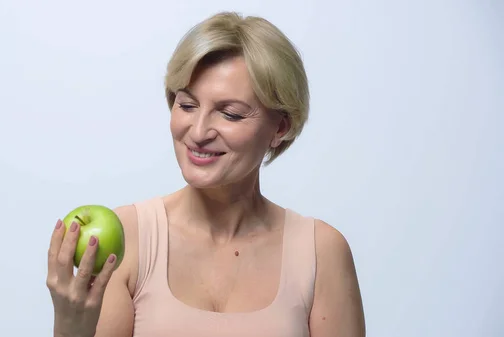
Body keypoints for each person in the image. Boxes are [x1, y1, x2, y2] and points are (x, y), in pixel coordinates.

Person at [46, 11, 365, 337]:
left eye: (230, 113)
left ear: (280, 127)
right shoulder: (129, 240)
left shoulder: (321, 252)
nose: (198, 132)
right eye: (186, 106)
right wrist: (72, 328)